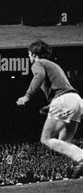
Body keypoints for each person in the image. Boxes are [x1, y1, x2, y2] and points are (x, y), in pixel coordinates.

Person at [16, 40, 83, 178]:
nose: (29, 58)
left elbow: (39, 76)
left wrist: (27, 96)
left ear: (34, 54)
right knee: (64, 142)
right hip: (76, 100)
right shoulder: (54, 65)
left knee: (45, 139)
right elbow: (62, 88)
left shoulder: (38, 63)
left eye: (29, 55)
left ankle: (81, 157)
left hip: (63, 101)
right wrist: (49, 106)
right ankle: (79, 161)